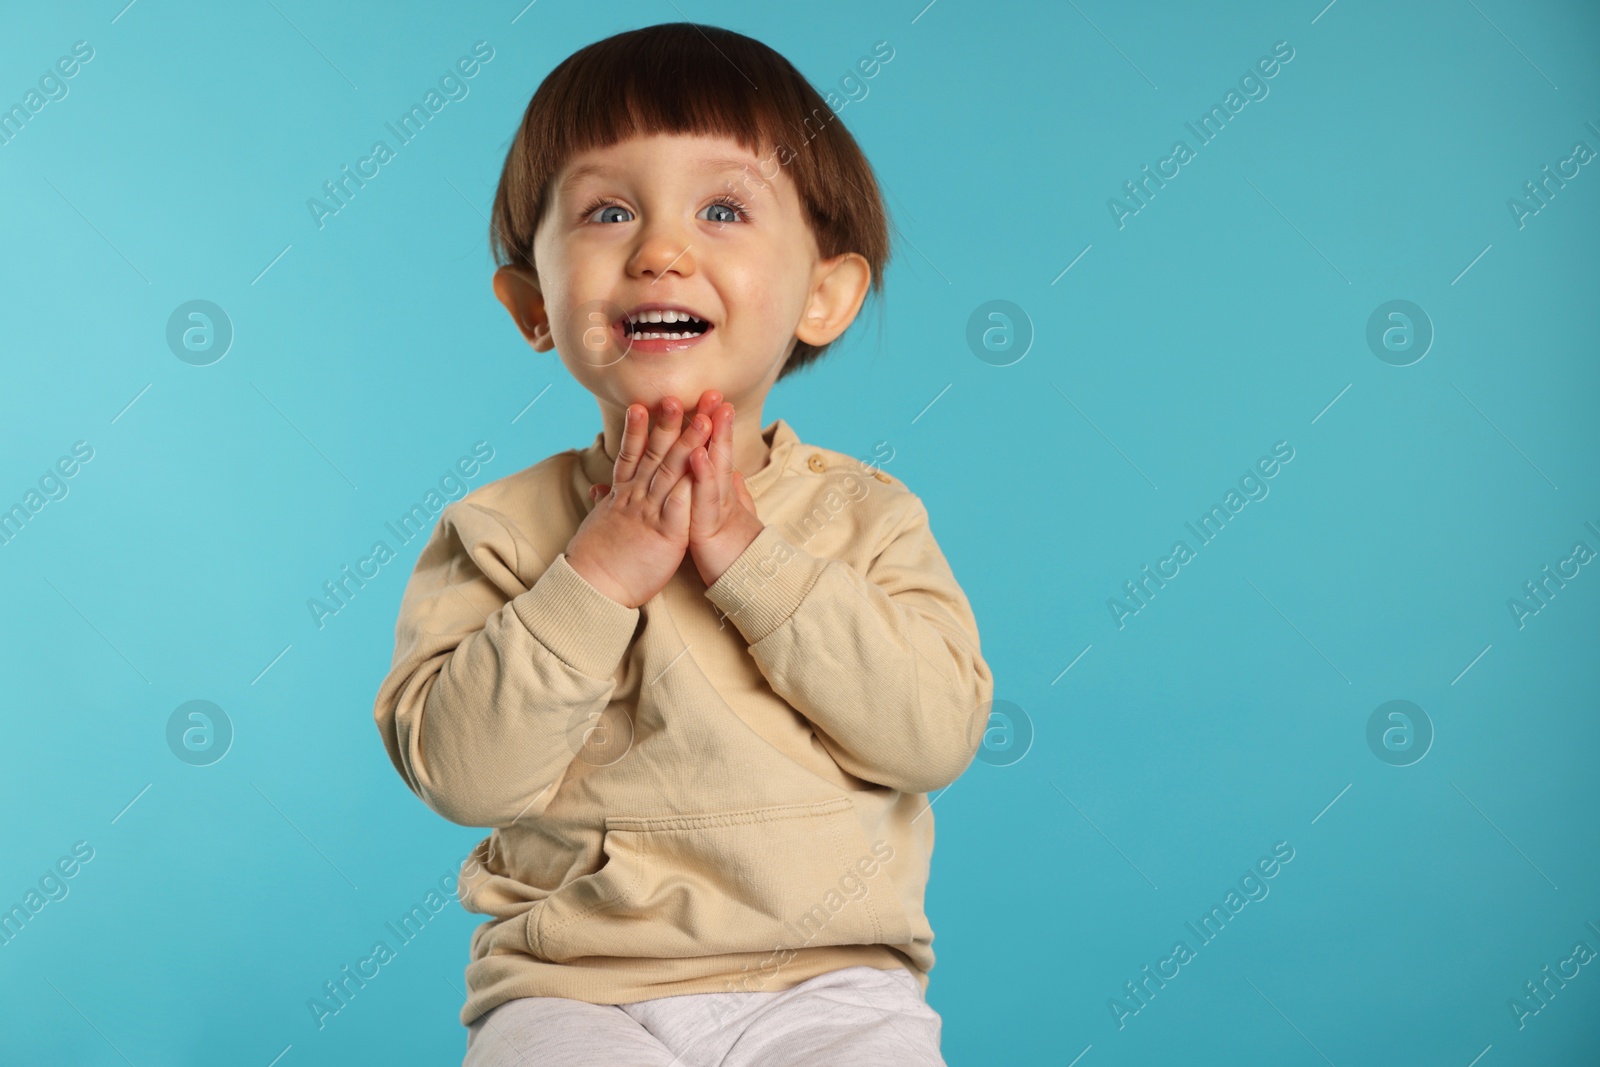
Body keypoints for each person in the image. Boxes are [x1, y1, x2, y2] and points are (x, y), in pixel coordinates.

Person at [370, 21, 994, 1066]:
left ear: (822, 297)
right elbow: (462, 772)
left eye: (722, 209)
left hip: (829, 981)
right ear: (532, 304)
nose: (661, 249)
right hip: (574, 992)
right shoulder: (496, 531)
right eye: (608, 211)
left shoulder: (867, 517)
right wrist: (600, 567)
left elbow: (931, 735)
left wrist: (752, 556)